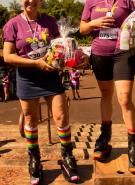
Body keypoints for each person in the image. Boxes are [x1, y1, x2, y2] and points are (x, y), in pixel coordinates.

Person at [3, 0, 79, 184]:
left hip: (50, 76)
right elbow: (7, 56)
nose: (31, 1)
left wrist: (72, 55)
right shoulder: (12, 24)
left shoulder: (50, 21)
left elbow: (60, 47)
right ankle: (34, 159)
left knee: (61, 116)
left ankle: (67, 156)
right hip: (27, 78)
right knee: (31, 120)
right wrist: (35, 63)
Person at [80, 0, 135, 174]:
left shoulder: (128, 1)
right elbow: (82, 29)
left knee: (124, 98)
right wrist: (95, 23)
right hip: (100, 54)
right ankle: (105, 137)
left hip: (123, 52)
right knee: (106, 94)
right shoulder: (91, 2)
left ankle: (133, 144)